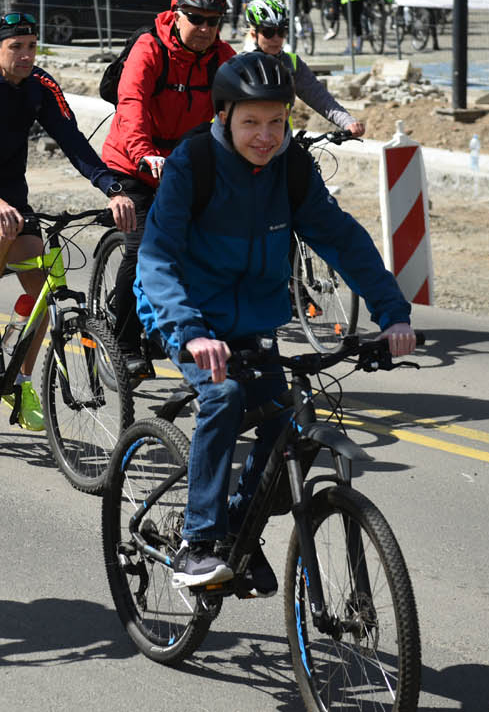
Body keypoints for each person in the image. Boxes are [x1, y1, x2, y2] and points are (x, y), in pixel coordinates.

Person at [135, 50, 414, 587]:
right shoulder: (194, 164)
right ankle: (198, 540)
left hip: (252, 322)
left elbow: (341, 240)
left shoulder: (289, 169)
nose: (265, 135)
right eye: (250, 122)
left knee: (292, 421)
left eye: (276, 121)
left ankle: (240, 524)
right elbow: (157, 257)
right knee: (223, 396)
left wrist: (392, 315)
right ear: (223, 117)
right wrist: (191, 333)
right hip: (186, 316)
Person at [0, 11, 136, 430]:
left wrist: (112, 188)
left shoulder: (40, 86)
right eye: (15, 48)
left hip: (9, 195)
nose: (26, 56)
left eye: (31, 46)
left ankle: (19, 382)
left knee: (42, 292)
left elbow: (72, 140)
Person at [100, 0, 237, 373]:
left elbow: (241, 108)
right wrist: (144, 153)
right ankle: (123, 342)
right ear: (176, 15)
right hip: (132, 162)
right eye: (197, 19)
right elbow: (131, 104)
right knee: (145, 249)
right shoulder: (150, 48)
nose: (206, 29)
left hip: (182, 164)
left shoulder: (220, 57)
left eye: (214, 22)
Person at [241, 0, 364, 136]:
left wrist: (348, 122)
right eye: (268, 32)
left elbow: (320, 98)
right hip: (247, 145)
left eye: (281, 31)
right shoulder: (238, 66)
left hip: (282, 144)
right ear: (253, 34)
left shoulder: (291, 63)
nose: (276, 38)